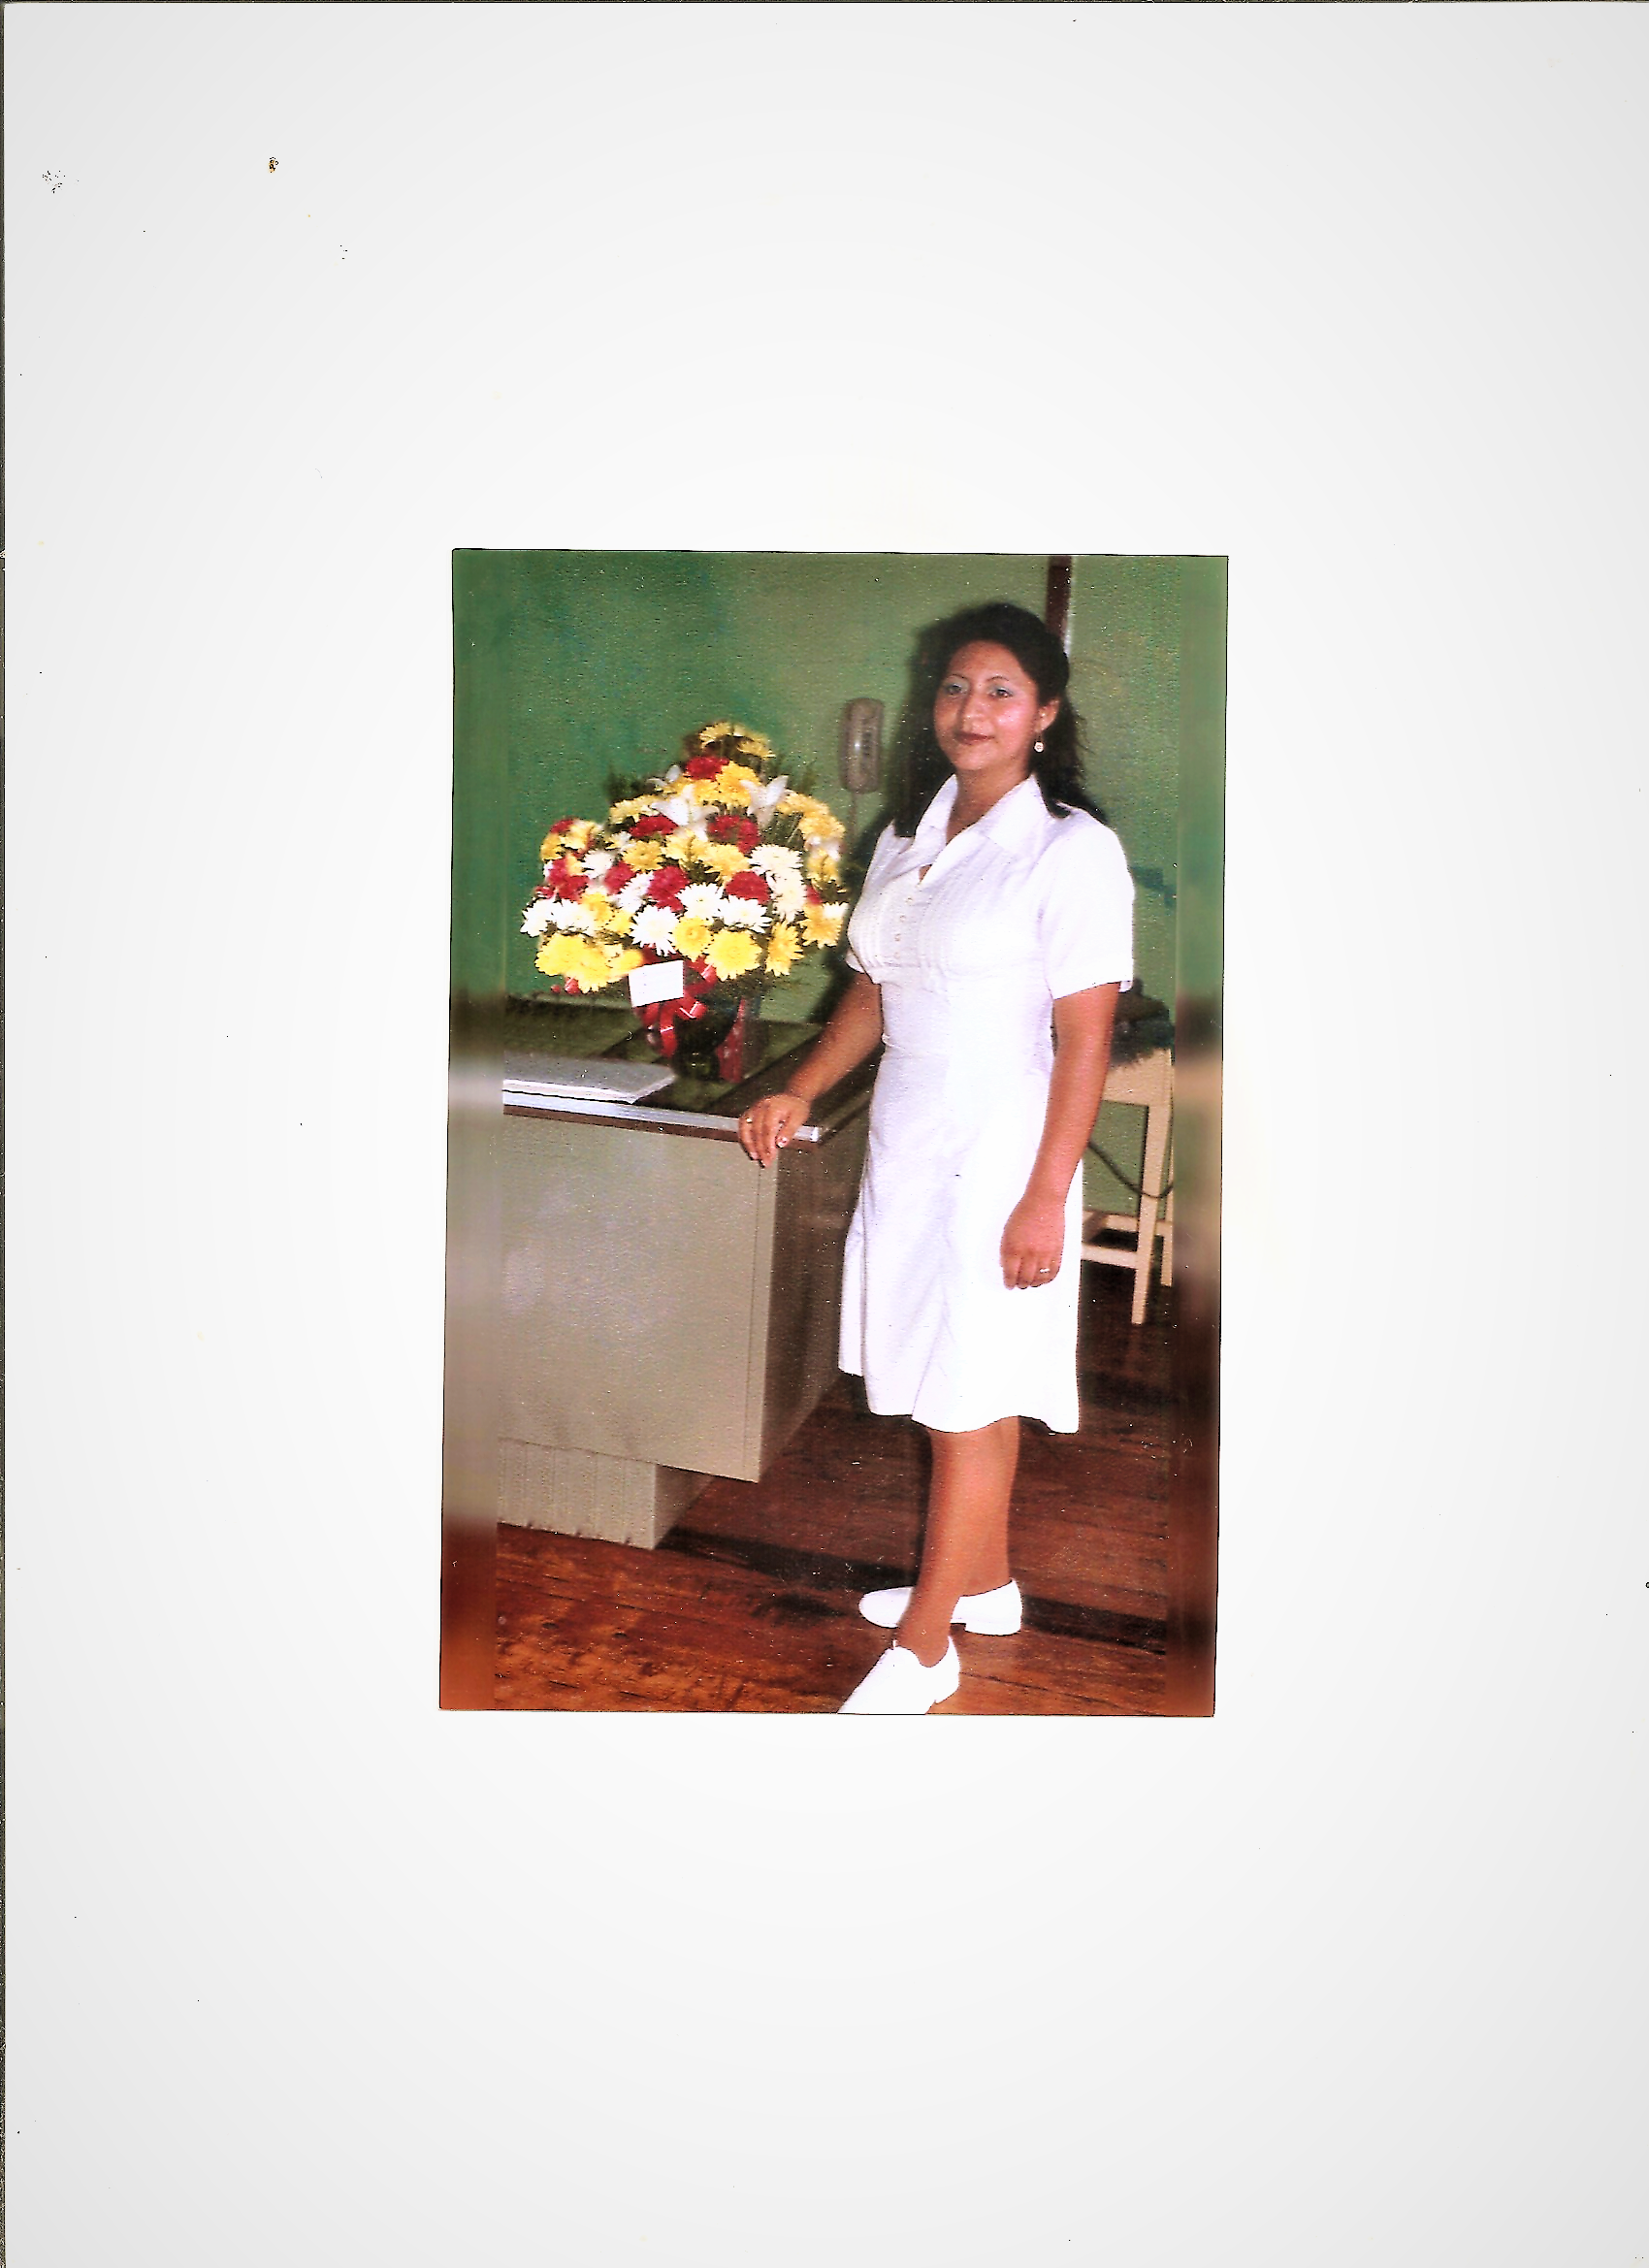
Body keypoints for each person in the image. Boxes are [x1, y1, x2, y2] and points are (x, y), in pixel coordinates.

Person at [737, 600, 1134, 1714]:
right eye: (955, 687)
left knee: (966, 1391)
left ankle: (925, 1647)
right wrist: (801, 1085)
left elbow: (1085, 1038)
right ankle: (985, 1585)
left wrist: (1046, 1197)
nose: (971, 709)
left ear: (1044, 714)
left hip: (1001, 1149)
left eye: (1001, 691)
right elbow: (875, 991)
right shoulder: (910, 838)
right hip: (908, 1139)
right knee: (950, 1378)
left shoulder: (1069, 851)